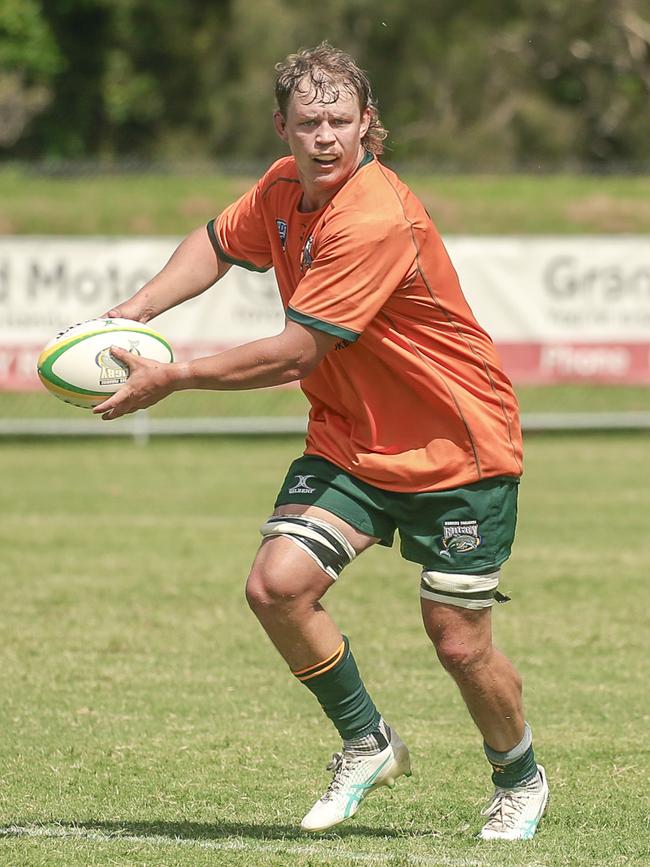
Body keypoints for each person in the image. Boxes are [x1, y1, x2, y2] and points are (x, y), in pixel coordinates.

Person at [95, 42, 549, 840]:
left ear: (370, 124)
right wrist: (133, 311)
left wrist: (177, 377)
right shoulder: (280, 189)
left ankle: (520, 776)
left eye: (343, 119)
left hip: (457, 447)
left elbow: (298, 351)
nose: (328, 136)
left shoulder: (373, 215)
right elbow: (215, 243)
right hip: (350, 439)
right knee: (276, 585)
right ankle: (368, 741)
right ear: (283, 127)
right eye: (310, 122)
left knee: (456, 639)